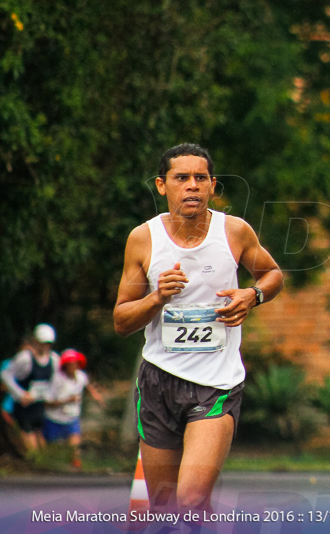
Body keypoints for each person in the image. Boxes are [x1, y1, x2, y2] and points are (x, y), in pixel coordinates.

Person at [113, 143, 283, 514]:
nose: (192, 186)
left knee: (189, 499)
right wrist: (156, 298)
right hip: (159, 381)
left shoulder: (234, 232)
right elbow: (122, 320)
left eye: (200, 178)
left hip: (216, 384)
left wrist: (252, 295)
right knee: (161, 507)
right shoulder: (143, 239)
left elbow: (272, 274)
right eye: (181, 178)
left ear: (212, 185)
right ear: (162, 185)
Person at [1, 324, 60, 453]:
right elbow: (6, 374)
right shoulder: (25, 358)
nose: (45, 347)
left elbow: (55, 381)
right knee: (29, 441)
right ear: (36, 341)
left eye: (48, 344)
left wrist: (50, 396)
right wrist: (20, 394)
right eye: (43, 343)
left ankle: (44, 465)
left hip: (39, 405)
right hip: (24, 407)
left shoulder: (54, 359)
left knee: (41, 440)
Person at [43, 349, 105, 469]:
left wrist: (97, 398)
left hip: (72, 417)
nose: (73, 366)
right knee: (54, 445)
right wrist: (66, 400)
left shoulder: (81, 377)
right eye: (70, 364)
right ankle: (53, 465)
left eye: (75, 363)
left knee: (75, 442)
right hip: (55, 417)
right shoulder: (57, 379)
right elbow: (48, 402)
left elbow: (88, 387)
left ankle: (76, 463)